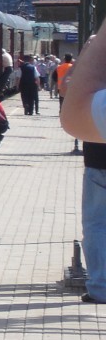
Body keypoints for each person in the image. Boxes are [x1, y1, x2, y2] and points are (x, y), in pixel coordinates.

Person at [60, 26, 106, 303]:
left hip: (99, 163)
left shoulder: (95, 87)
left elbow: (67, 93)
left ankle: (101, 286)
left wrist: (87, 55)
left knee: (97, 224)